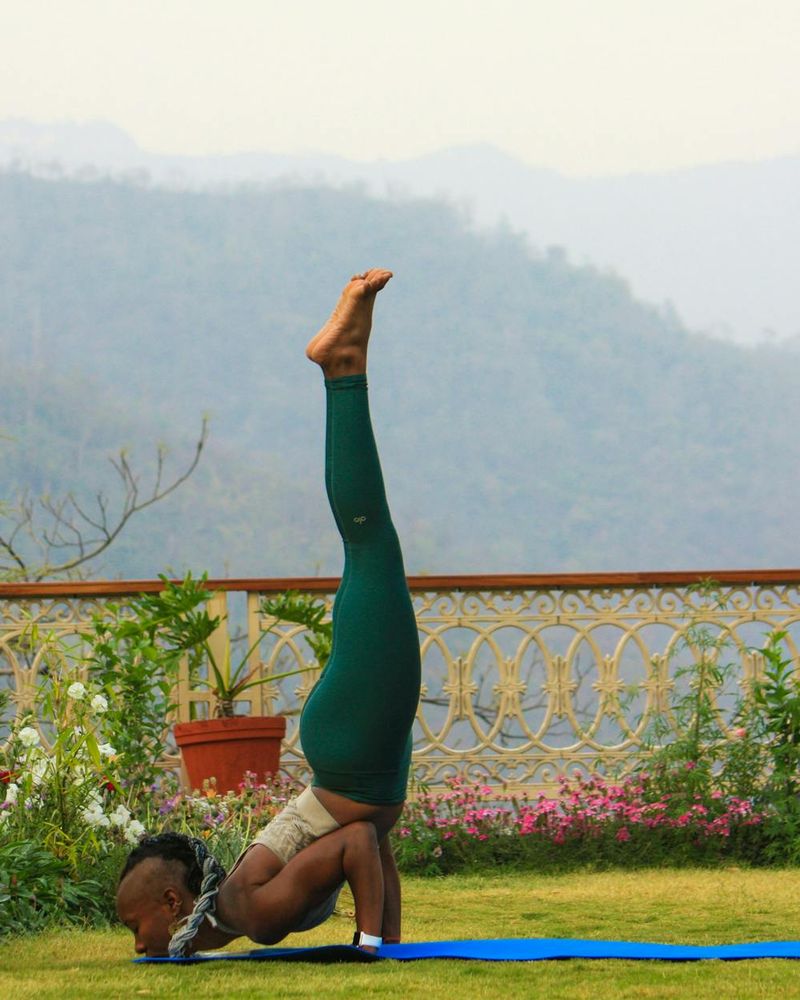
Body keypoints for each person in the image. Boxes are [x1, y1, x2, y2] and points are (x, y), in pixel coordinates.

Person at [116, 269, 422, 958]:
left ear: (172, 905)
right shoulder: (243, 908)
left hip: (351, 757)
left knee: (370, 540)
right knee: (368, 543)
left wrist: (371, 945)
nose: (139, 947)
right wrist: (389, 944)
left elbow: (354, 843)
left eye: (137, 930)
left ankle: (342, 368)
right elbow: (371, 841)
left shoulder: (255, 912)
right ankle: (344, 366)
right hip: (359, 767)